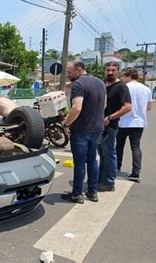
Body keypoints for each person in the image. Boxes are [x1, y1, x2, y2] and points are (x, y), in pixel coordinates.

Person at [61, 61, 106, 204]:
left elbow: (77, 108)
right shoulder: (100, 82)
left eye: (69, 72)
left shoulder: (78, 85)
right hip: (97, 128)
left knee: (79, 162)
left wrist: (66, 124)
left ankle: (76, 194)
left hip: (81, 130)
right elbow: (104, 105)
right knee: (92, 160)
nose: (68, 75)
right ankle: (93, 192)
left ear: (79, 70)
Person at [97, 61, 132, 192]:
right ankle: (101, 179)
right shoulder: (102, 85)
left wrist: (111, 117)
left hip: (110, 126)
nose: (110, 72)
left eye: (113, 70)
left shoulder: (121, 87)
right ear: (104, 71)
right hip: (99, 126)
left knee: (109, 154)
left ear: (118, 71)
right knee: (102, 154)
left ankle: (109, 182)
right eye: (108, 70)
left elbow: (128, 107)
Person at [116, 67, 152, 182]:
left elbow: (119, 104)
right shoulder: (146, 89)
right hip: (139, 122)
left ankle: (116, 167)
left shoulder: (124, 87)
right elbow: (149, 107)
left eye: (123, 76)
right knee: (135, 146)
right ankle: (136, 172)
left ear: (128, 76)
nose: (121, 78)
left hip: (123, 121)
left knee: (119, 146)